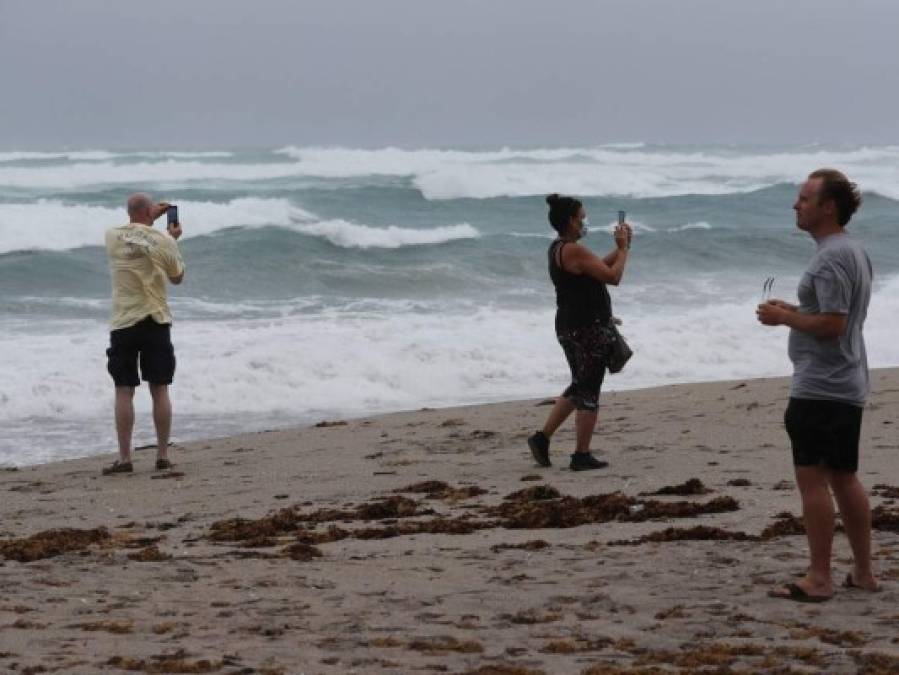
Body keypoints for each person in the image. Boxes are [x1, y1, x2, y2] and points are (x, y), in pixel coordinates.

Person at [757, 169, 879, 602]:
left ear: (829, 207)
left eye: (805, 199)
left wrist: (784, 318)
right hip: (846, 381)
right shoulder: (852, 250)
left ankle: (820, 577)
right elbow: (831, 313)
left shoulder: (830, 257)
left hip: (821, 386)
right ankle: (863, 572)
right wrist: (795, 308)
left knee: (813, 481)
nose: (796, 205)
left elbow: (832, 324)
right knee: (845, 476)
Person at [527, 194, 631, 471]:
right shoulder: (573, 250)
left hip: (568, 325)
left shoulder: (560, 248)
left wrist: (620, 248)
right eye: (582, 218)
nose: (584, 222)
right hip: (586, 328)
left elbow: (598, 267)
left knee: (578, 385)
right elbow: (613, 277)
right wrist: (624, 251)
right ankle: (581, 455)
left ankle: (542, 438)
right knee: (589, 389)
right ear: (570, 221)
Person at [102, 193, 185, 475]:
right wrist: (173, 238)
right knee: (159, 388)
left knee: (124, 390)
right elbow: (177, 278)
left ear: (128, 211)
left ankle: (125, 459)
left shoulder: (112, 236)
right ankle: (162, 455)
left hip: (124, 321)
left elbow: (135, 235)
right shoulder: (164, 240)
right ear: (151, 211)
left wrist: (148, 217)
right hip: (155, 319)